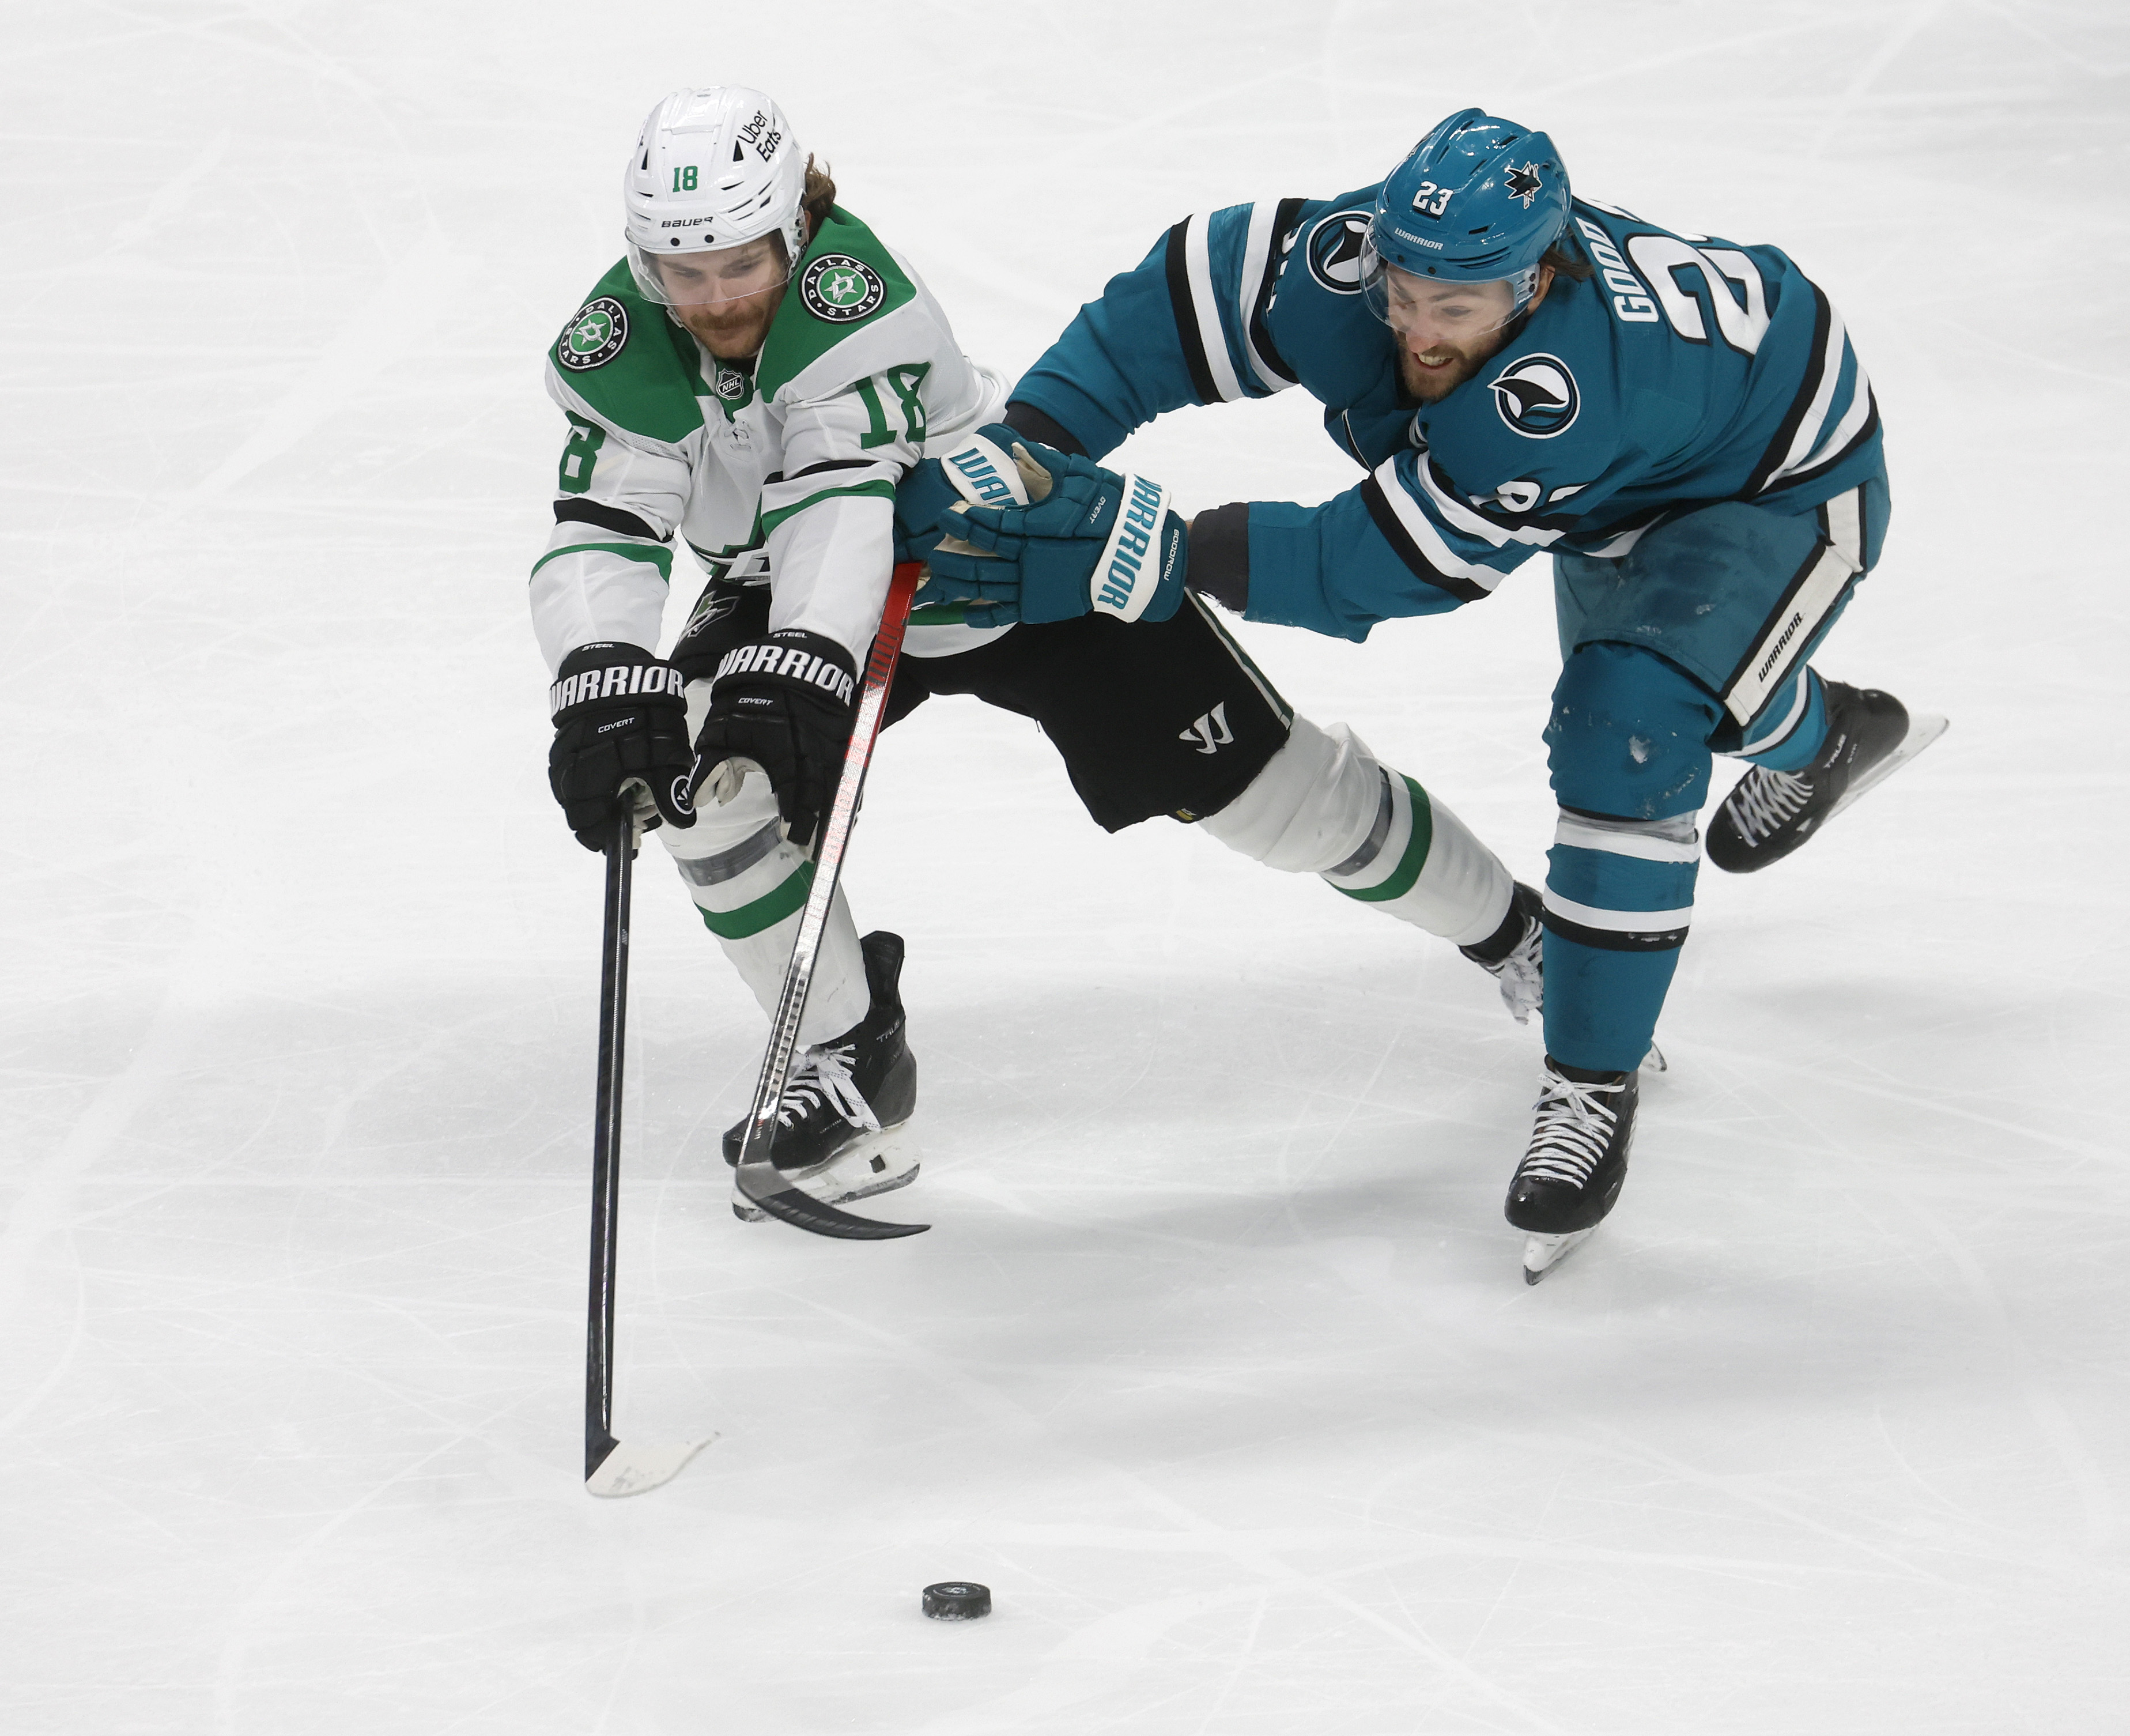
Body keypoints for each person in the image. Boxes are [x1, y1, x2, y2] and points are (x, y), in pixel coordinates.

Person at [924, 109, 1942, 1277]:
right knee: (1695, 698)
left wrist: (1160, 549)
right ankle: (1808, 741)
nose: (1412, 328)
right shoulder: (1366, 262)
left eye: (1451, 307)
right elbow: (1181, 300)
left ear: (1538, 275)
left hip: (1777, 483)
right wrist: (1025, 449)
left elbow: (1390, 566)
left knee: (1630, 730)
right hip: (1647, 468)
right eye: (1403, 290)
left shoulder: (1554, 401)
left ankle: (1588, 1085)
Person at [532, 87, 1547, 1218]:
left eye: (743, 261)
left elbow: (841, 504)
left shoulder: (855, 296)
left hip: (1011, 567)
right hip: (797, 582)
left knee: (1285, 806)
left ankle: (1520, 934)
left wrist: (804, 660)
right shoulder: (622, 332)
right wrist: (599, 674)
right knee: (707, 789)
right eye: (687, 271)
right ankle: (851, 1069)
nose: (717, 299)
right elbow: (605, 521)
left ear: (798, 228)